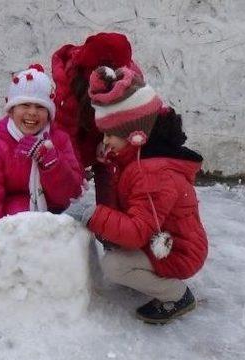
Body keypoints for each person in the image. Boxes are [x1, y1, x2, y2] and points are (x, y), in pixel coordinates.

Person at [81, 65, 208, 324]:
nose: (105, 141)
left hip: (177, 250)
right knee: (116, 252)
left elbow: (138, 231)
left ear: (135, 135)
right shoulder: (139, 157)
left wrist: (93, 216)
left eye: (110, 134)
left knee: (114, 265)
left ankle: (177, 295)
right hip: (168, 240)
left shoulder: (151, 172)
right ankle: (149, 275)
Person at [0, 64, 83, 244]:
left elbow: (69, 195)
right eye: (25, 105)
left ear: (49, 112)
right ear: (12, 110)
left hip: (53, 217)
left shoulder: (59, 140)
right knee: (19, 209)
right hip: (11, 224)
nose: (32, 112)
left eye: (40, 106)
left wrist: (52, 165)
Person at [51, 32, 142, 208]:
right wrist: (76, 178)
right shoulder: (69, 86)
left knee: (114, 192)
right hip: (76, 141)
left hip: (106, 142)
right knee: (64, 192)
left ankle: (112, 217)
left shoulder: (129, 83)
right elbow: (65, 138)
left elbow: (130, 135)